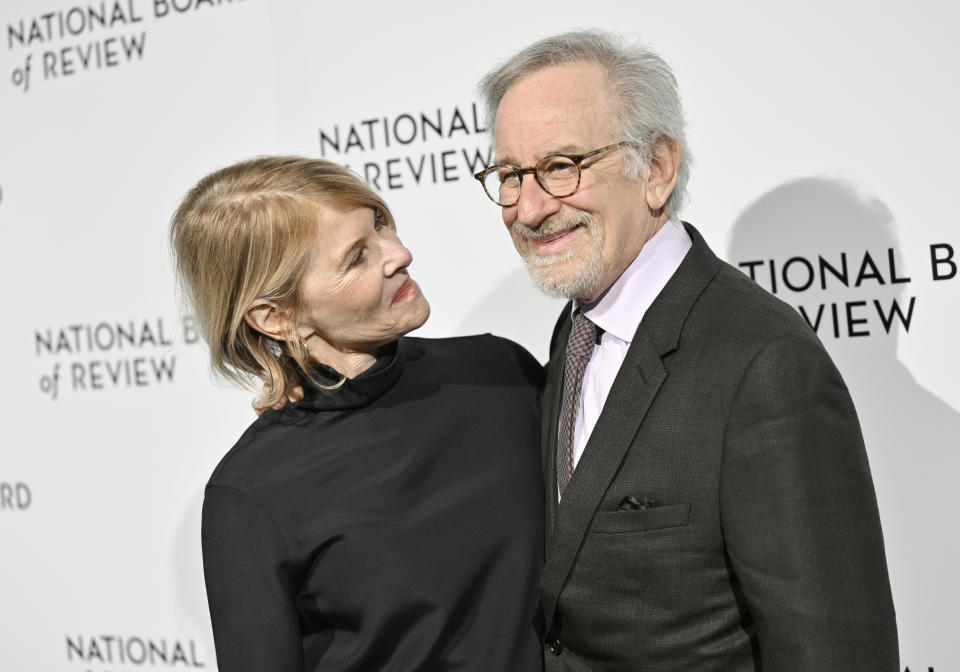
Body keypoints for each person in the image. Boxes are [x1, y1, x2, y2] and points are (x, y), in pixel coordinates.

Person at [474, 30, 899, 670]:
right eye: (510, 175)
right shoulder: (578, 326)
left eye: (561, 167)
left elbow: (835, 652)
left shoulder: (764, 364)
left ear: (658, 167)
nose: (529, 207)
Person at [170, 156, 545, 671]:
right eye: (356, 258)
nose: (400, 254)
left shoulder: (499, 372)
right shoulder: (254, 493)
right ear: (275, 316)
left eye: (381, 224)